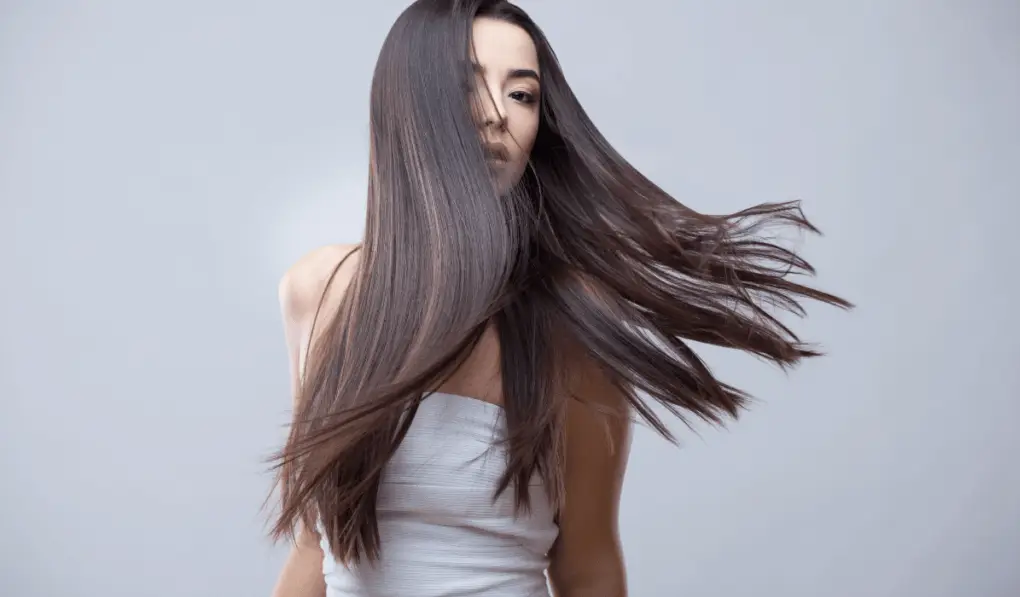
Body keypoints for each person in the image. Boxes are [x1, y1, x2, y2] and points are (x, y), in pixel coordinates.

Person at [268, 1, 850, 596]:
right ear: (407, 107)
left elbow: (587, 569)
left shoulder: (572, 320)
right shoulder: (320, 292)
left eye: (522, 95)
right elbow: (315, 544)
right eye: (466, 86)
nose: (497, 116)